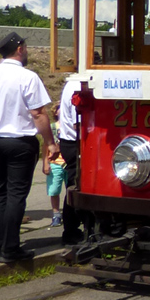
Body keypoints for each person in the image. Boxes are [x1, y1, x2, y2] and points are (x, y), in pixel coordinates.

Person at [0, 32, 58, 263]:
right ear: (19, 49)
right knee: (16, 195)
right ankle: (11, 248)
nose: (27, 51)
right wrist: (50, 142)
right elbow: (38, 114)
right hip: (19, 141)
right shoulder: (27, 77)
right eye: (26, 47)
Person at [56, 76, 85, 245]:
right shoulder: (77, 85)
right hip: (76, 143)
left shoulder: (71, 83)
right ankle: (70, 231)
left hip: (71, 142)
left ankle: (73, 228)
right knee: (74, 186)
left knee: (74, 185)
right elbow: (78, 124)